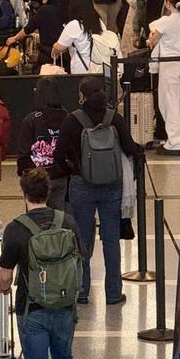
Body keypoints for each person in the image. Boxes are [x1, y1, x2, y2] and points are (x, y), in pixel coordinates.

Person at [0, 168, 86, 359]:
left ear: (24, 194)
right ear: (47, 193)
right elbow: (81, 258)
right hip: (64, 309)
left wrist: (3, 289)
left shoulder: (16, 229)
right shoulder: (67, 222)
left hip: (32, 311)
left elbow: (4, 277)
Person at [58, 75, 143, 304]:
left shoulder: (72, 120)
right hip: (112, 185)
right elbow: (130, 147)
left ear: (81, 96)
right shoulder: (114, 118)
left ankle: (82, 291)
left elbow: (59, 154)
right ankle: (113, 293)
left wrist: (73, 167)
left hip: (81, 185)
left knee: (83, 240)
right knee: (111, 240)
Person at [147, 0, 180, 156]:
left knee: (169, 103)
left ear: (167, 2)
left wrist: (152, 37)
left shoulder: (167, 21)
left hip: (169, 65)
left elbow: (152, 39)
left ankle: (174, 142)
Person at [8, 0, 67, 67]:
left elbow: (29, 28)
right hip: (64, 53)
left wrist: (15, 38)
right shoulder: (64, 9)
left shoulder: (44, 10)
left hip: (47, 53)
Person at [52, 0, 104, 75]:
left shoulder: (74, 25)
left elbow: (59, 46)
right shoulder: (99, 22)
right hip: (99, 67)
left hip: (81, 68)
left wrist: (54, 47)